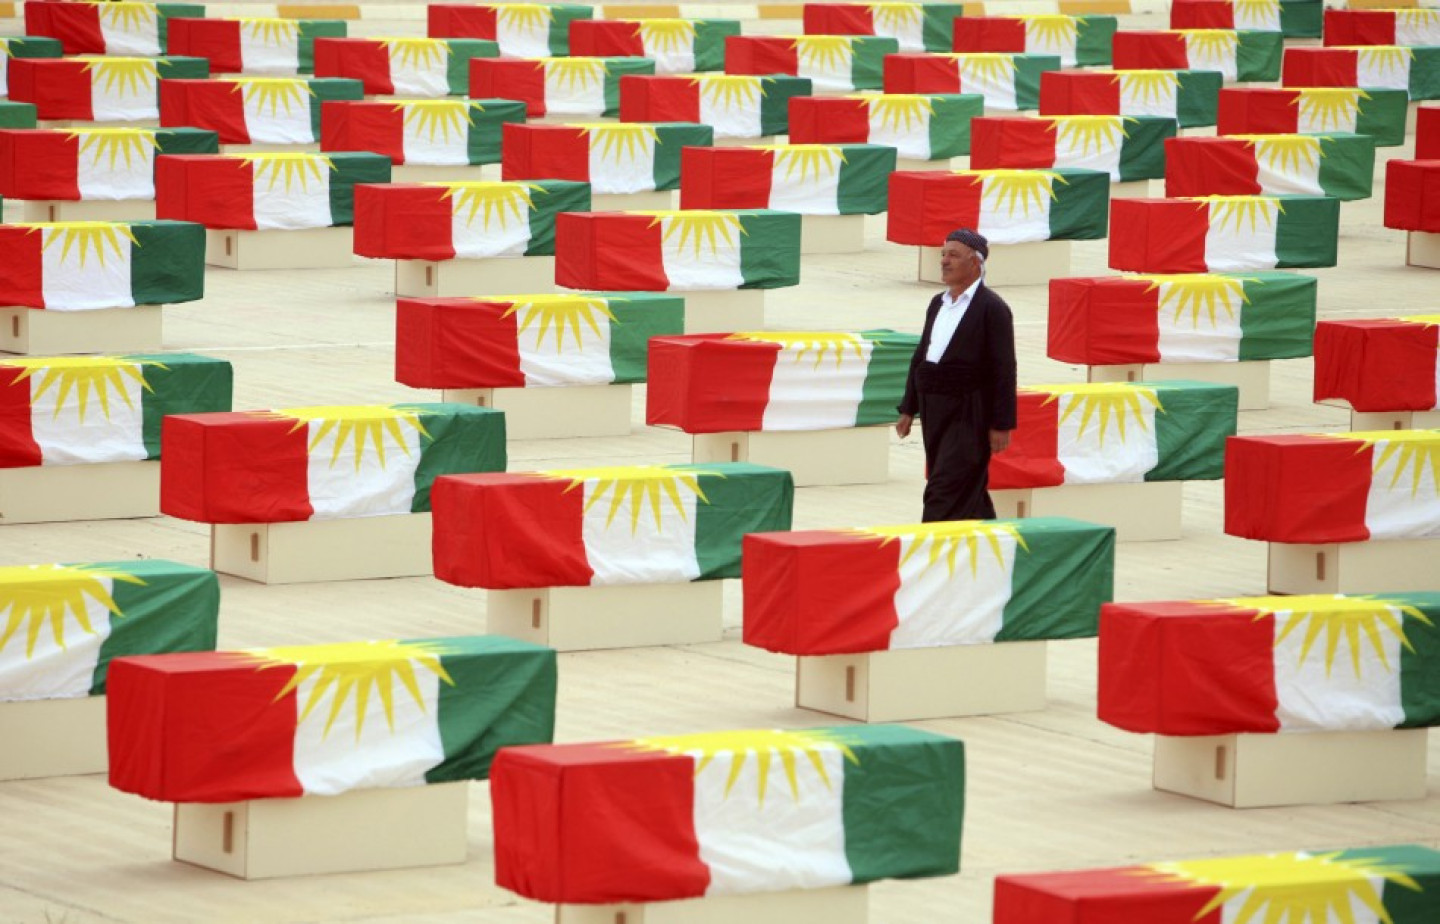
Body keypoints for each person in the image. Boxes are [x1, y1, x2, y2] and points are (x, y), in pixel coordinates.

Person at [895, 228, 1017, 522]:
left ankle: (931, 546)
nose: (944, 261)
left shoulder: (993, 309)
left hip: (969, 410)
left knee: (944, 486)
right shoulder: (938, 303)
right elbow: (921, 356)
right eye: (943, 254)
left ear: (976, 263)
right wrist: (909, 407)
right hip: (934, 409)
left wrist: (1001, 423)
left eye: (953, 255)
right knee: (963, 484)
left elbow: (1004, 369)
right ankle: (986, 540)